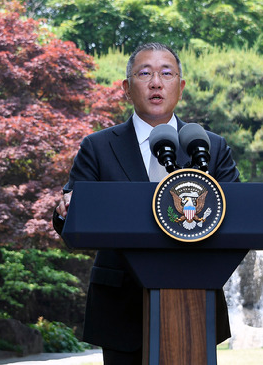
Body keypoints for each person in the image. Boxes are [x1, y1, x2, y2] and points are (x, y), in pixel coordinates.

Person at [53, 42, 240, 365]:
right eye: (145, 73)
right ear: (127, 88)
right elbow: (70, 217)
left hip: (194, 306)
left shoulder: (209, 147)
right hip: (119, 306)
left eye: (166, 74)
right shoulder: (98, 147)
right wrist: (65, 210)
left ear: (180, 87)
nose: (156, 82)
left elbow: (237, 215)